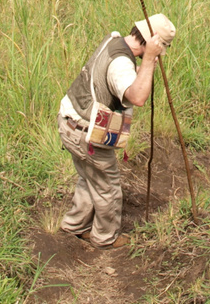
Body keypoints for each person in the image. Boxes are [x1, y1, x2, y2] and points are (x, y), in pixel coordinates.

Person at [57, 13, 176, 248]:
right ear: (154, 43)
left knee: (89, 177)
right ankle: (105, 237)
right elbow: (137, 97)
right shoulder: (121, 64)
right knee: (108, 186)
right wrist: (150, 58)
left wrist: (146, 62)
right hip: (85, 133)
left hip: (69, 121)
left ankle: (75, 225)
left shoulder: (114, 40)